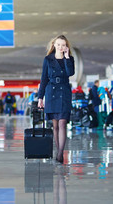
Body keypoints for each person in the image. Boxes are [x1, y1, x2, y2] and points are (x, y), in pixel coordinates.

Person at [38, 35, 75, 163]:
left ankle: (60, 154)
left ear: (66, 47)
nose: (60, 47)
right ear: (54, 45)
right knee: (55, 125)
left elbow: (70, 73)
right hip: (51, 92)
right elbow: (44, 79)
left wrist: (66, 58)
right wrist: (40, 97)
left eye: (63, 45)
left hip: (64, 92)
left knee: (62, 123)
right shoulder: (48, 59)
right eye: (58, 44)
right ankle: (57, 150)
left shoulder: (69, 59)